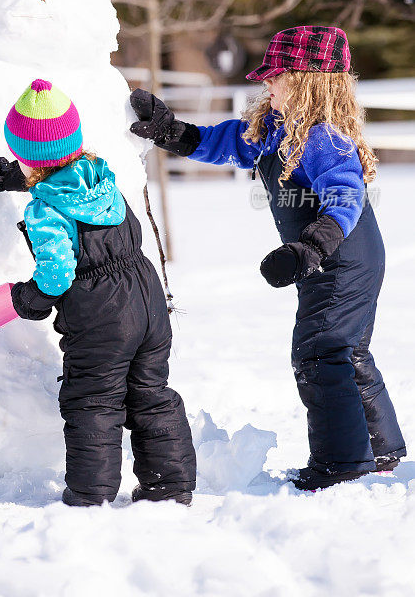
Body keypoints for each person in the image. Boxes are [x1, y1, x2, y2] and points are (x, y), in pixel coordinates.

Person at [129, 26, 406, 491]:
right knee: (347, 350)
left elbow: (345, 196)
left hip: (341, 256)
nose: (268, 85)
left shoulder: (323, 137)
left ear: (309, 82)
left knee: (319, 352)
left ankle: (342, 463)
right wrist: (169, 132)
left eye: (277, 77)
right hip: (335, 258)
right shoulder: (276, 129)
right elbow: (223, 143)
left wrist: (311, 247)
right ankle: (380, 448)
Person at [0, 78, 196, 506]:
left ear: (22, 154)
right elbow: (57, 174)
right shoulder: (100, 175)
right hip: (147, 300)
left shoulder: (45, 209)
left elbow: (56, 274)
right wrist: (14, 177)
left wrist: (22, 300)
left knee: (94, 402)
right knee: (151, 394)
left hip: (101, 315)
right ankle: (170, 488)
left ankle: (90, 497)